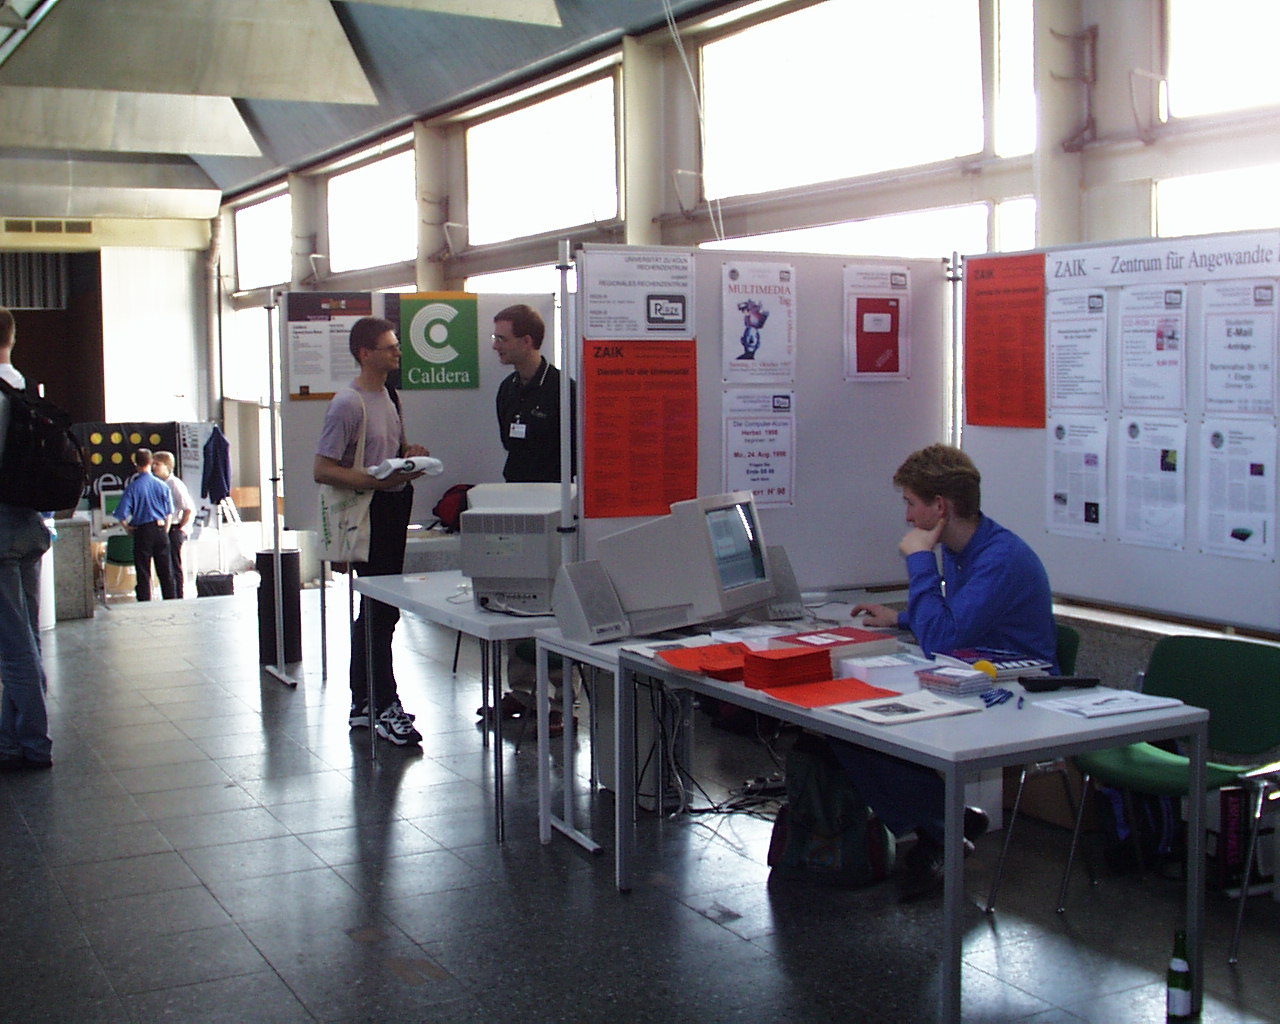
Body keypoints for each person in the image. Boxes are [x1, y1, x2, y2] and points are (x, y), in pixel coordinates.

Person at [840, 443, 1057, 900]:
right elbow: (958, 623)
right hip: (975, 677)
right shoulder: (964, 550)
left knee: (869, 730)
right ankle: (945, 824)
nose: (907, 517)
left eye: (910, 504)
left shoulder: (999, 558)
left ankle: (940, 828)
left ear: (940, 507)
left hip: (1017, 694)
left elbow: (942, 639)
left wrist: (919, 558)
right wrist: (903, 618)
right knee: (848, 727)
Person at [314, 317, 431, 747]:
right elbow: (323, 468)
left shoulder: (391, 395)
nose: (397, 352)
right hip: (372, 510)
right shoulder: (347, 404)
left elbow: (391, 451)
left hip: (395, 506)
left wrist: (409, 455)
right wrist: (376, 482)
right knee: (381, 610)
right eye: (389, 346)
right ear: (365, 353)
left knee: (380, 608)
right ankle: (384, 703)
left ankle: (364, 701)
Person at [487, 304, 574, 731]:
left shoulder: (562, 390)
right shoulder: (506, 389)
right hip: (514, 504)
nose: (495, 346)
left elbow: (575, 453)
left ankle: (560, 700)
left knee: (552, 601)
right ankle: (521, 690)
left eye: (502, 338)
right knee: (514, 592)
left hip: (554, 509)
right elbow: (510, 443)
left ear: (527, 341)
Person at [0, 306, 53, 769]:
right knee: (25, 637)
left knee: (14, 650)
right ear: (12, 338)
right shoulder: (27, 388)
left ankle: (35, 744)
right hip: (30, 527)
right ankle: (10, 740)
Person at [115, 448, 176, 602]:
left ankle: (144, 604)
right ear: (151, 462)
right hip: (160, 529)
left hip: (143, 532)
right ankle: (172, 601)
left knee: (143, 572)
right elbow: (169, 513)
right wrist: (165, 530)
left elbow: (121, 514)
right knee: (166, 571)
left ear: (135, 464)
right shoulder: (163, 485)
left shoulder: (133, 487)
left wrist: (128, 528)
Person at [152, 450, 193, 599]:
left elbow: (188, 508)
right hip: (163, 528)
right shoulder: (159, 483)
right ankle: (170, 596)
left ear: (167, 466)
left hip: (174, 528)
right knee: (166, 566)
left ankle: (178, 596)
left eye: (157, 464)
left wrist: (180, 527)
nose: (154, 467)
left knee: (174, 565)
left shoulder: (174, 484)